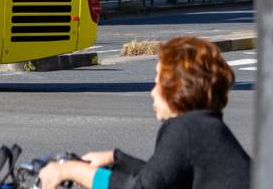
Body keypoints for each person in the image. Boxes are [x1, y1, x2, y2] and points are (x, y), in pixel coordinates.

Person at [39, 36, 249, 189]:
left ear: (176, 88)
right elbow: (162, 177)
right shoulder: (204, 127)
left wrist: (69, 171)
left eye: (157, 80)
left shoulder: (187, 129)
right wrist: (116, 159)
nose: (152, 91)